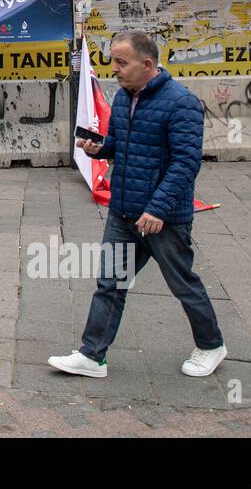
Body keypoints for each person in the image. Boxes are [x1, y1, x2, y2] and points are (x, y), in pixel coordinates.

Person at [50, 30, 226, 379]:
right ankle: (92, 355)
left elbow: (186, 163)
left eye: (121, 62)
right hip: (124, 211)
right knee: (110, 283)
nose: (114, 69)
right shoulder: (122, 97)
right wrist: (101, 149)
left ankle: (211, 346)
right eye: (113, 60)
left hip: (164, 218)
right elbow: (120, 145)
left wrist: (158, 209)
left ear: (147, 64)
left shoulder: (181, 103)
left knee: (182, 284)